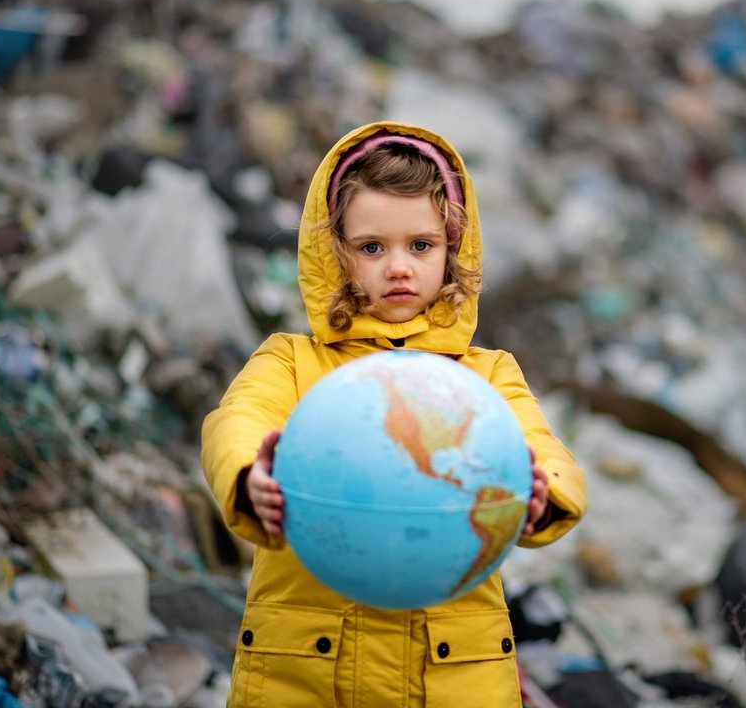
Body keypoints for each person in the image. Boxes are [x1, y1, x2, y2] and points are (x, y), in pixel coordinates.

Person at [201, 121, 588, 707]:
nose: (399, 267)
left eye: (421, 245)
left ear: (453, 249)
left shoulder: (486, 375)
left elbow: (543, 447)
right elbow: (235, 421)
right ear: (336, 252)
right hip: (304, 674)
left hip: (455, 677)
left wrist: (540, 492)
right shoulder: (293, 361)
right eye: (372, 247)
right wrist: (247, 475)